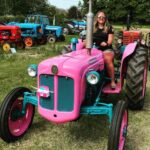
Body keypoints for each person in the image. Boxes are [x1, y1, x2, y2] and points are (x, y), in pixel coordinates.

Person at [93, 11, 116, 89]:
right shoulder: (93, 28)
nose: (101, 18)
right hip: (95, 48)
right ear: (97, 18)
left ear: (105, 18)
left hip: (107, 49)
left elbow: (109, 41)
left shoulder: (109, 28)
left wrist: (105, 43)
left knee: (107, 59)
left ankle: (112, 80)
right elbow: (89, 39)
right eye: (99, 17)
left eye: (103, 17)